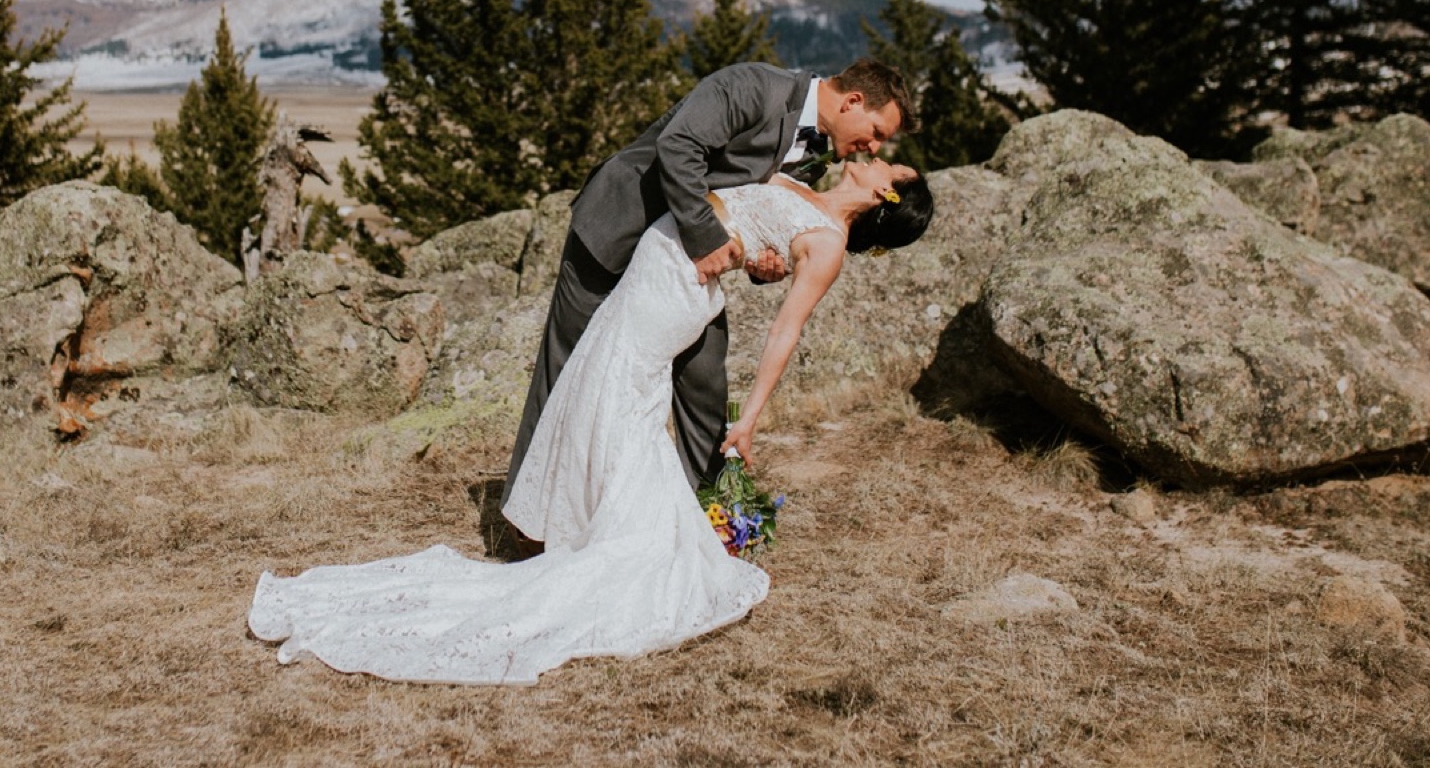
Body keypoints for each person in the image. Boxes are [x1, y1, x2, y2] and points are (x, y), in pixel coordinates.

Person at [247, 155, 934, 686]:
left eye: (889, 163)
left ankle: (601, 542)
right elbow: (754, 236)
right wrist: (755, 254)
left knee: (615, 398)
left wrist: (747, 421)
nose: (878, 154)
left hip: (670, 292)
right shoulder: (809, 193)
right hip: (661, 269)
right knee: (602, 397)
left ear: (886, 193)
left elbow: (787, 333)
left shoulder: (831, 241)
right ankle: (588, 526)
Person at [506, 58, 912, 502]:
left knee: (704, 377)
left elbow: (758, 213)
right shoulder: (754, 86)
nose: (872, 148)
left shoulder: (816, 157)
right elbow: (678, 146)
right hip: (620, 225)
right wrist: (706, 238)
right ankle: (526, 513)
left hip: (683, 267)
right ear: (853, 101)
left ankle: (710, 508)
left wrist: (765, 267)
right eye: (876, 132)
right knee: (567, 364)